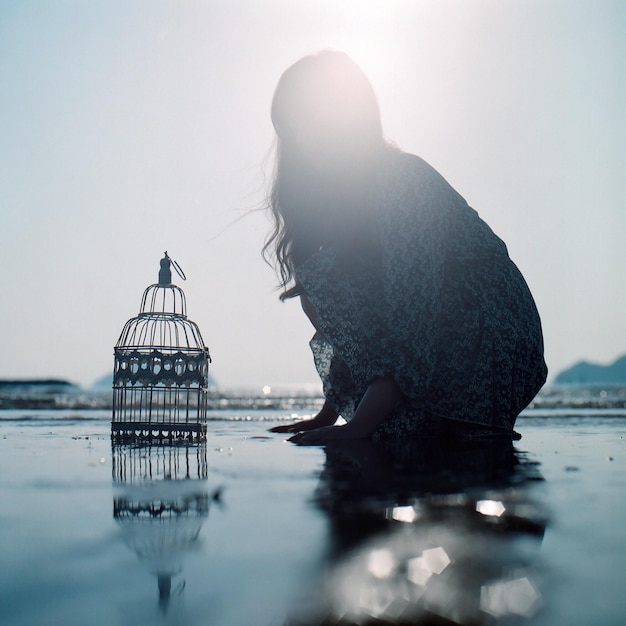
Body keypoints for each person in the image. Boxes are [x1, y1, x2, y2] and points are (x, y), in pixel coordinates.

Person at [265, 50, 547, 444]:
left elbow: (412, 310)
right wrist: (330, 413)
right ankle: (406, 414)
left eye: (307, 122)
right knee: (317, 280)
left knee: (325, 277)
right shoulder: (350, 205)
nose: (301, 141)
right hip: (450, 335)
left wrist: (360, 426)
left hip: (497, 338)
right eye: (291, 130)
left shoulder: (401, 180)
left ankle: (421, 416)